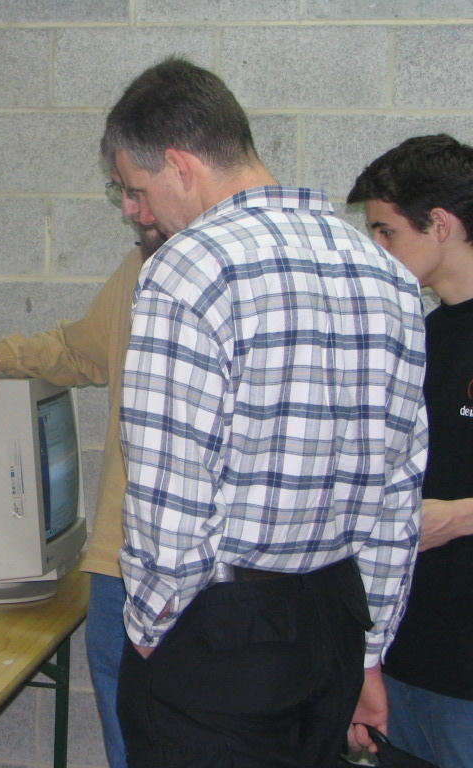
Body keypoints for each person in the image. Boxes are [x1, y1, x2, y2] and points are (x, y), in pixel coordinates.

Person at [104, 57, 428, 767]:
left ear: (181, 165)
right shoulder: (386, 273)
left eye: (135, 189)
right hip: (333, 624)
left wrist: (153, 626)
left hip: (219, 637)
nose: (133, 211)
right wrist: (368, 649)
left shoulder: (187, 268)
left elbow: (169, 487)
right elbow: (398, 491)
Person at [0, 215, 165, 767]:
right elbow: (81, 351)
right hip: (121, 558)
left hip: (210, 577)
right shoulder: (140, 266)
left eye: (138, 192)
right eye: (125, 194)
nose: (133, 210)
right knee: (132, 738)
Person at [347, 134, 473, 768]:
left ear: (440, 225)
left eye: (386, 231)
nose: (377, 249)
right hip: (408, 657)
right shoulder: (420, 336)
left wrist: (460, 515)